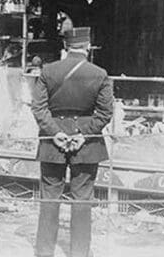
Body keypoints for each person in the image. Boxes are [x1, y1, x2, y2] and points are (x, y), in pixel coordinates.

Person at [31, 27, 114, 257]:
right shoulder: (100, 74)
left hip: (51, 143)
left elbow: (38, 108)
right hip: (87, 146)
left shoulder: (48, 71)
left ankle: (45, 252)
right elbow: (106, 112)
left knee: (49, 197)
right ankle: (79, 253)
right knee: (82, 199)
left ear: (66, 47)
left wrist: (55, 132)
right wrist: (82, 134)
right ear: (87, 47)